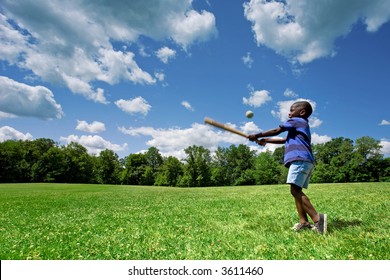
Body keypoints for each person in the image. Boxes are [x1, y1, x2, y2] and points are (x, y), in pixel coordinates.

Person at [248, 101, 327, 234]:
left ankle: (318, 219)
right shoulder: (300, 126)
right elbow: (284, 140)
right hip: (304, 160)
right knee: (296, 191)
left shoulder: (297, 121)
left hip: (299, 159)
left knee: (295, 191)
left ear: (301, 112)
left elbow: (277, 130)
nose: (289, 113)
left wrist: (257, 135)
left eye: (291, 110)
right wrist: (266, 141)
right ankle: (304, 222)